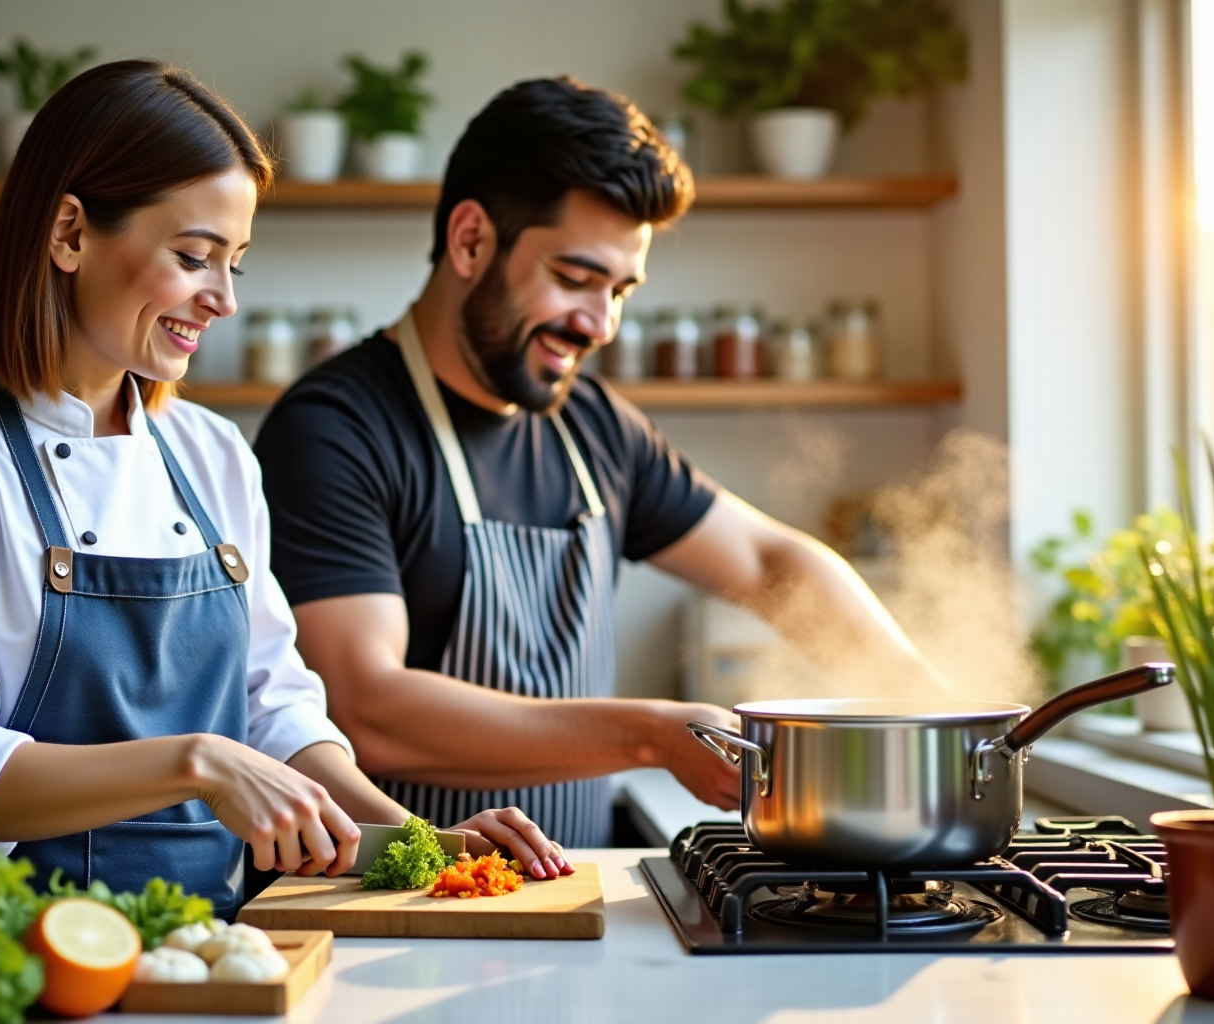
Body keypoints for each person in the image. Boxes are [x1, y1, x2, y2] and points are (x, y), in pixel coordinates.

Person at [0, 61, 566, 915]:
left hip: (213, 947)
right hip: (13, 959)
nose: (222, 300)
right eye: (193, 258)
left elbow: (274, 707)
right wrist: (198, 763)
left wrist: (420, 844)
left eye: (235, 266)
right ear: (69, 233)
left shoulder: (213, 454)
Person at [255, 77, 943, 846]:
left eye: (621, 290)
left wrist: (938, 709)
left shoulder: (594, 427)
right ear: (471, 239)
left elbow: (767, 562)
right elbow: (368, 709)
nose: (601, 324)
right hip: (400, 920)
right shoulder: (335, 429)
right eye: (575, 280)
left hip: (572, 902)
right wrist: (651, 734)